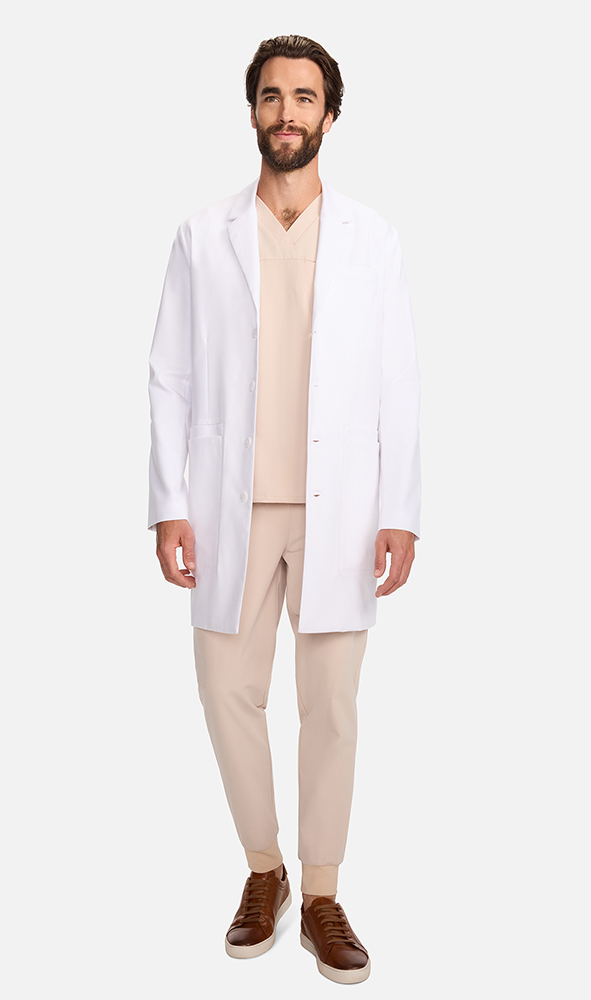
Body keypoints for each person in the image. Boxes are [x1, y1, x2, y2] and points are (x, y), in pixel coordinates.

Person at [147, 34, 421, 986]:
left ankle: (323, 892)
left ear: (329, 116)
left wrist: (401, 508)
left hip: (340, 508)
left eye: (305, 97)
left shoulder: (372, 240)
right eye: (272, 96)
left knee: (331, 705)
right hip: (232, 504)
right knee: (226, 692)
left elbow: (397, 380)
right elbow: (170, 373)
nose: (288, 113)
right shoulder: (202, 235)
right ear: (254, 111)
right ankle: (264, 869)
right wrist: (169, 502)